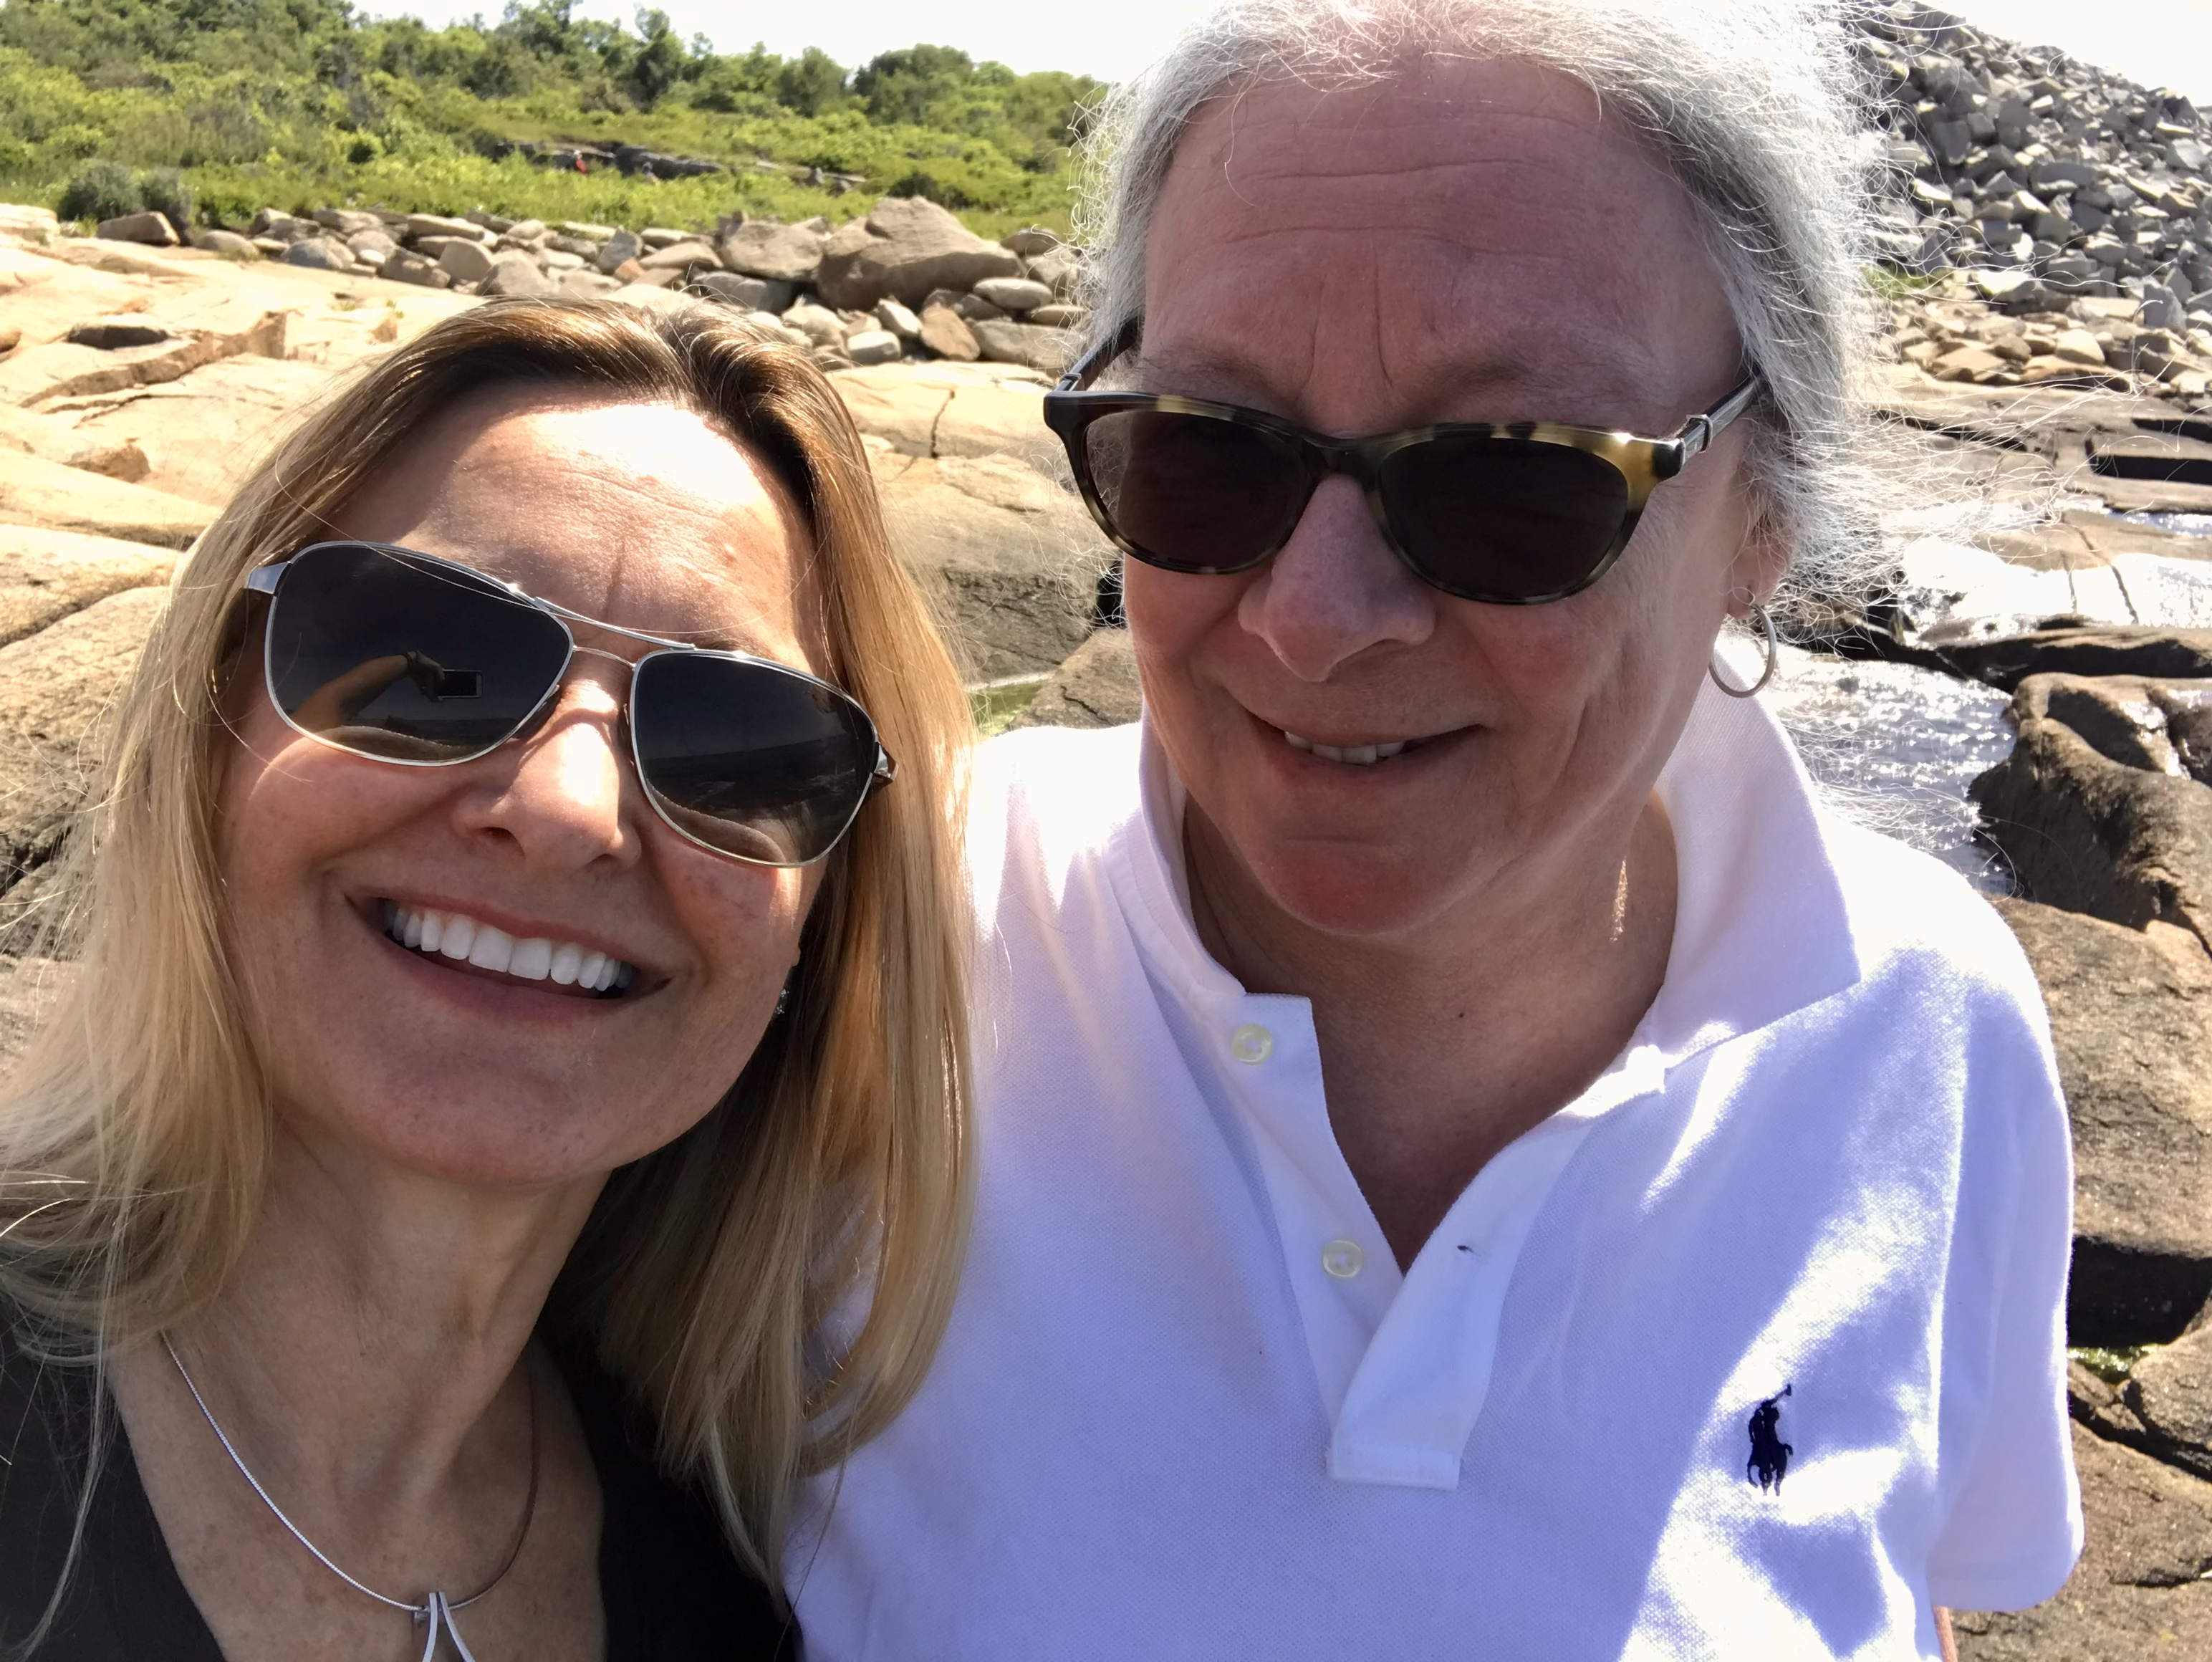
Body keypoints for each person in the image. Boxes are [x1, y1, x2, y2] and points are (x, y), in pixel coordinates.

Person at [789, 1, 2080, 1656]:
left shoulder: (1920, 1016)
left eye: (1507, 479)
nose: (1317, 622)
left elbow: (1897, 1589)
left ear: (1762, 509)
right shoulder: (864, 940)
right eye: (1204, 455)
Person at [0, 300, 973, 1660]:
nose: (570, 809)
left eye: (734, 743)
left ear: (825, 916)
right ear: (208, 728)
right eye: (428, 663)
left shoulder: (724, 1601)